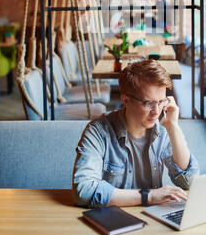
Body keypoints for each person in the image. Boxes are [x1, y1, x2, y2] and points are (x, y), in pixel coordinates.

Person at [72, 59, 199, 208]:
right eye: (148, 103)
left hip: (152, 218)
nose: (156, 112)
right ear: (125, 100)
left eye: (161, 102)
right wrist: (148, 196)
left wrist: (173, 126)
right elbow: (83, 191)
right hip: (114, 218)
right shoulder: (98, 131)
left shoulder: (164, 129)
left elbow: (189, 182)